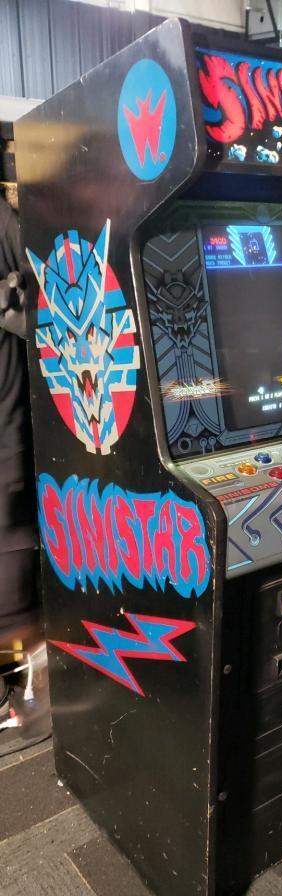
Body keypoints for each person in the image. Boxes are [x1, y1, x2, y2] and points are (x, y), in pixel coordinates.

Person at [0, 194, 50, 754]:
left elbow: (44, 280)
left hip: (8, 436)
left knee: (13, 571)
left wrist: (16, 301)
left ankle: (35, 687)